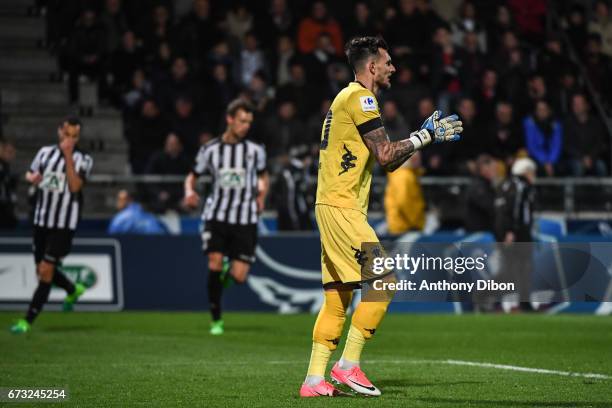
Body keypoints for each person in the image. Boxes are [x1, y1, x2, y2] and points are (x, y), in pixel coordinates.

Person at [299, 36, 463, 397]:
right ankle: (347, 365)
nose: (393, 68)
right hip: (342, 206)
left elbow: (385, 161)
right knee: (385, 280)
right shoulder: (362, 97)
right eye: (388, 62)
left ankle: (313, 380)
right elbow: (387, 155)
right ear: (371, 66)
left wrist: (421, 138)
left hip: (330, 204)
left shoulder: (345, 99)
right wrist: (424, 136)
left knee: (338, 298)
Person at [183, 99, 269, 336]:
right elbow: (192, 176)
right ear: (229, 119)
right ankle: (216, 318)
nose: (246, 126)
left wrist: (262, 195)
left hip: (246, 217)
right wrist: (189, 192)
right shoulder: (210, 150)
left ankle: (227, 271)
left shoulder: (255, 150)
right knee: (214, 262)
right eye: (242, 121)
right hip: (217, 215)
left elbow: (263, 177)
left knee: (240, 277)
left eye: (249, 122)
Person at [10, 117, 93, 334]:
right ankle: (72, 289)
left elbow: (75, 187)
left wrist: (67, 157)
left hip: (64, 224)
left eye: (75, 136)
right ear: (59, 132)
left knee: (46, 270)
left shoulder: (83, 159)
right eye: (67, 135)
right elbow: (30, 172)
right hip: (41, 220)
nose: (70, 140)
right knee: (42, 269)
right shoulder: (45, 153)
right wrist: (33, 177)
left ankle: (27, 320)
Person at [494, 157, 536, 312]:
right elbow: (515, 209)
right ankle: (484, 296)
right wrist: (510, 231)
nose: (534, 175)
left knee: (517, 270)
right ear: (525, 172)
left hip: (509, 232)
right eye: (532, 172)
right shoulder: (519, 186)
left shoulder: (506, 184)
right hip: (518, 234)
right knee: (517, 270)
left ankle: (524, 303)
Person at [384, 152, 425, 234]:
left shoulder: (406, 174)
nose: (420, 161)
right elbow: (403, 201)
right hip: (405, 227)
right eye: (416, 158)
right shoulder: (404, 176)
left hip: (403, 226)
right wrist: (415, 222)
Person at [464, 154, 498, 234]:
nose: (496, 172)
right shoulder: (478, 186)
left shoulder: (486, 184)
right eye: (493, 168)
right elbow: (491, 207)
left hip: (484, 232)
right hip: (479, 235)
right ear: (484, 168)